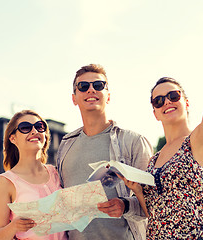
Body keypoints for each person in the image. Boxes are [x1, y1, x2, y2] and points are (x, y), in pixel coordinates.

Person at [120, 27, 203, 239]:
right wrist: (137, 190)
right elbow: (153, 213)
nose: (167, 102)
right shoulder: (153, 161)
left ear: (185, 102)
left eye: (173, 95)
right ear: (155, 113)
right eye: (159, 100)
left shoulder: (197, 141)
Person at [56, 64, 153, 240]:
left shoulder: (134, 142)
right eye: (83, 86)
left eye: (98, 85)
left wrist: (125, 205)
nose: (91, 90)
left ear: (108, 96)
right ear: (74, 98)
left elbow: (154, 205)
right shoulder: (65, 145)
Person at [0, 110, 68, 240]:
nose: (34, 131)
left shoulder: (57, 172)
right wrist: (14, 226)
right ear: (13, 138)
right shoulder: (5, 181)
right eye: (25, 128)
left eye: (39, 126)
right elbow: (0, 235)